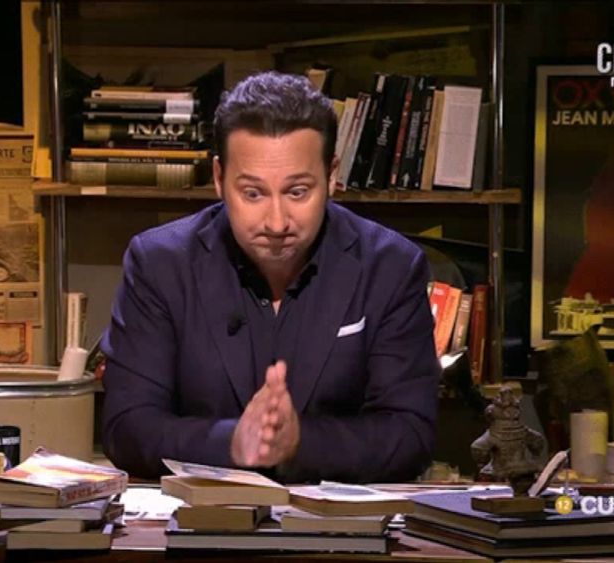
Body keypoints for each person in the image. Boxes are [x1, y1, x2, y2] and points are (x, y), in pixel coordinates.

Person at [101, 71, 439, 484]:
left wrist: (300, 443)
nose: (277, 222)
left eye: (297, 192)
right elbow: (127, 427)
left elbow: (411, 434)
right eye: (253, 193)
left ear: (332, 175)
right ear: (219, 179)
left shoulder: (390, 267)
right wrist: (232, 443)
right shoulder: (159, 264)